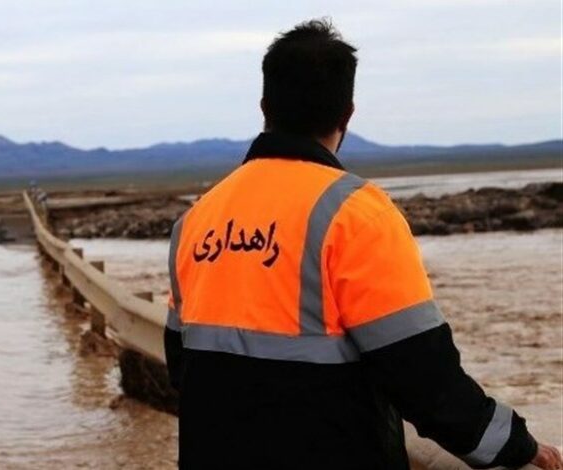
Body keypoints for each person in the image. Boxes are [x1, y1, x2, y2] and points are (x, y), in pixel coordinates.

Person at [164, 19, 562, 470]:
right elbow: (422, 374)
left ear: (264, 106)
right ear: (347, 115)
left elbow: (182, 365)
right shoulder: (356, 213)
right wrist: (516, 445)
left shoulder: (196, 219)